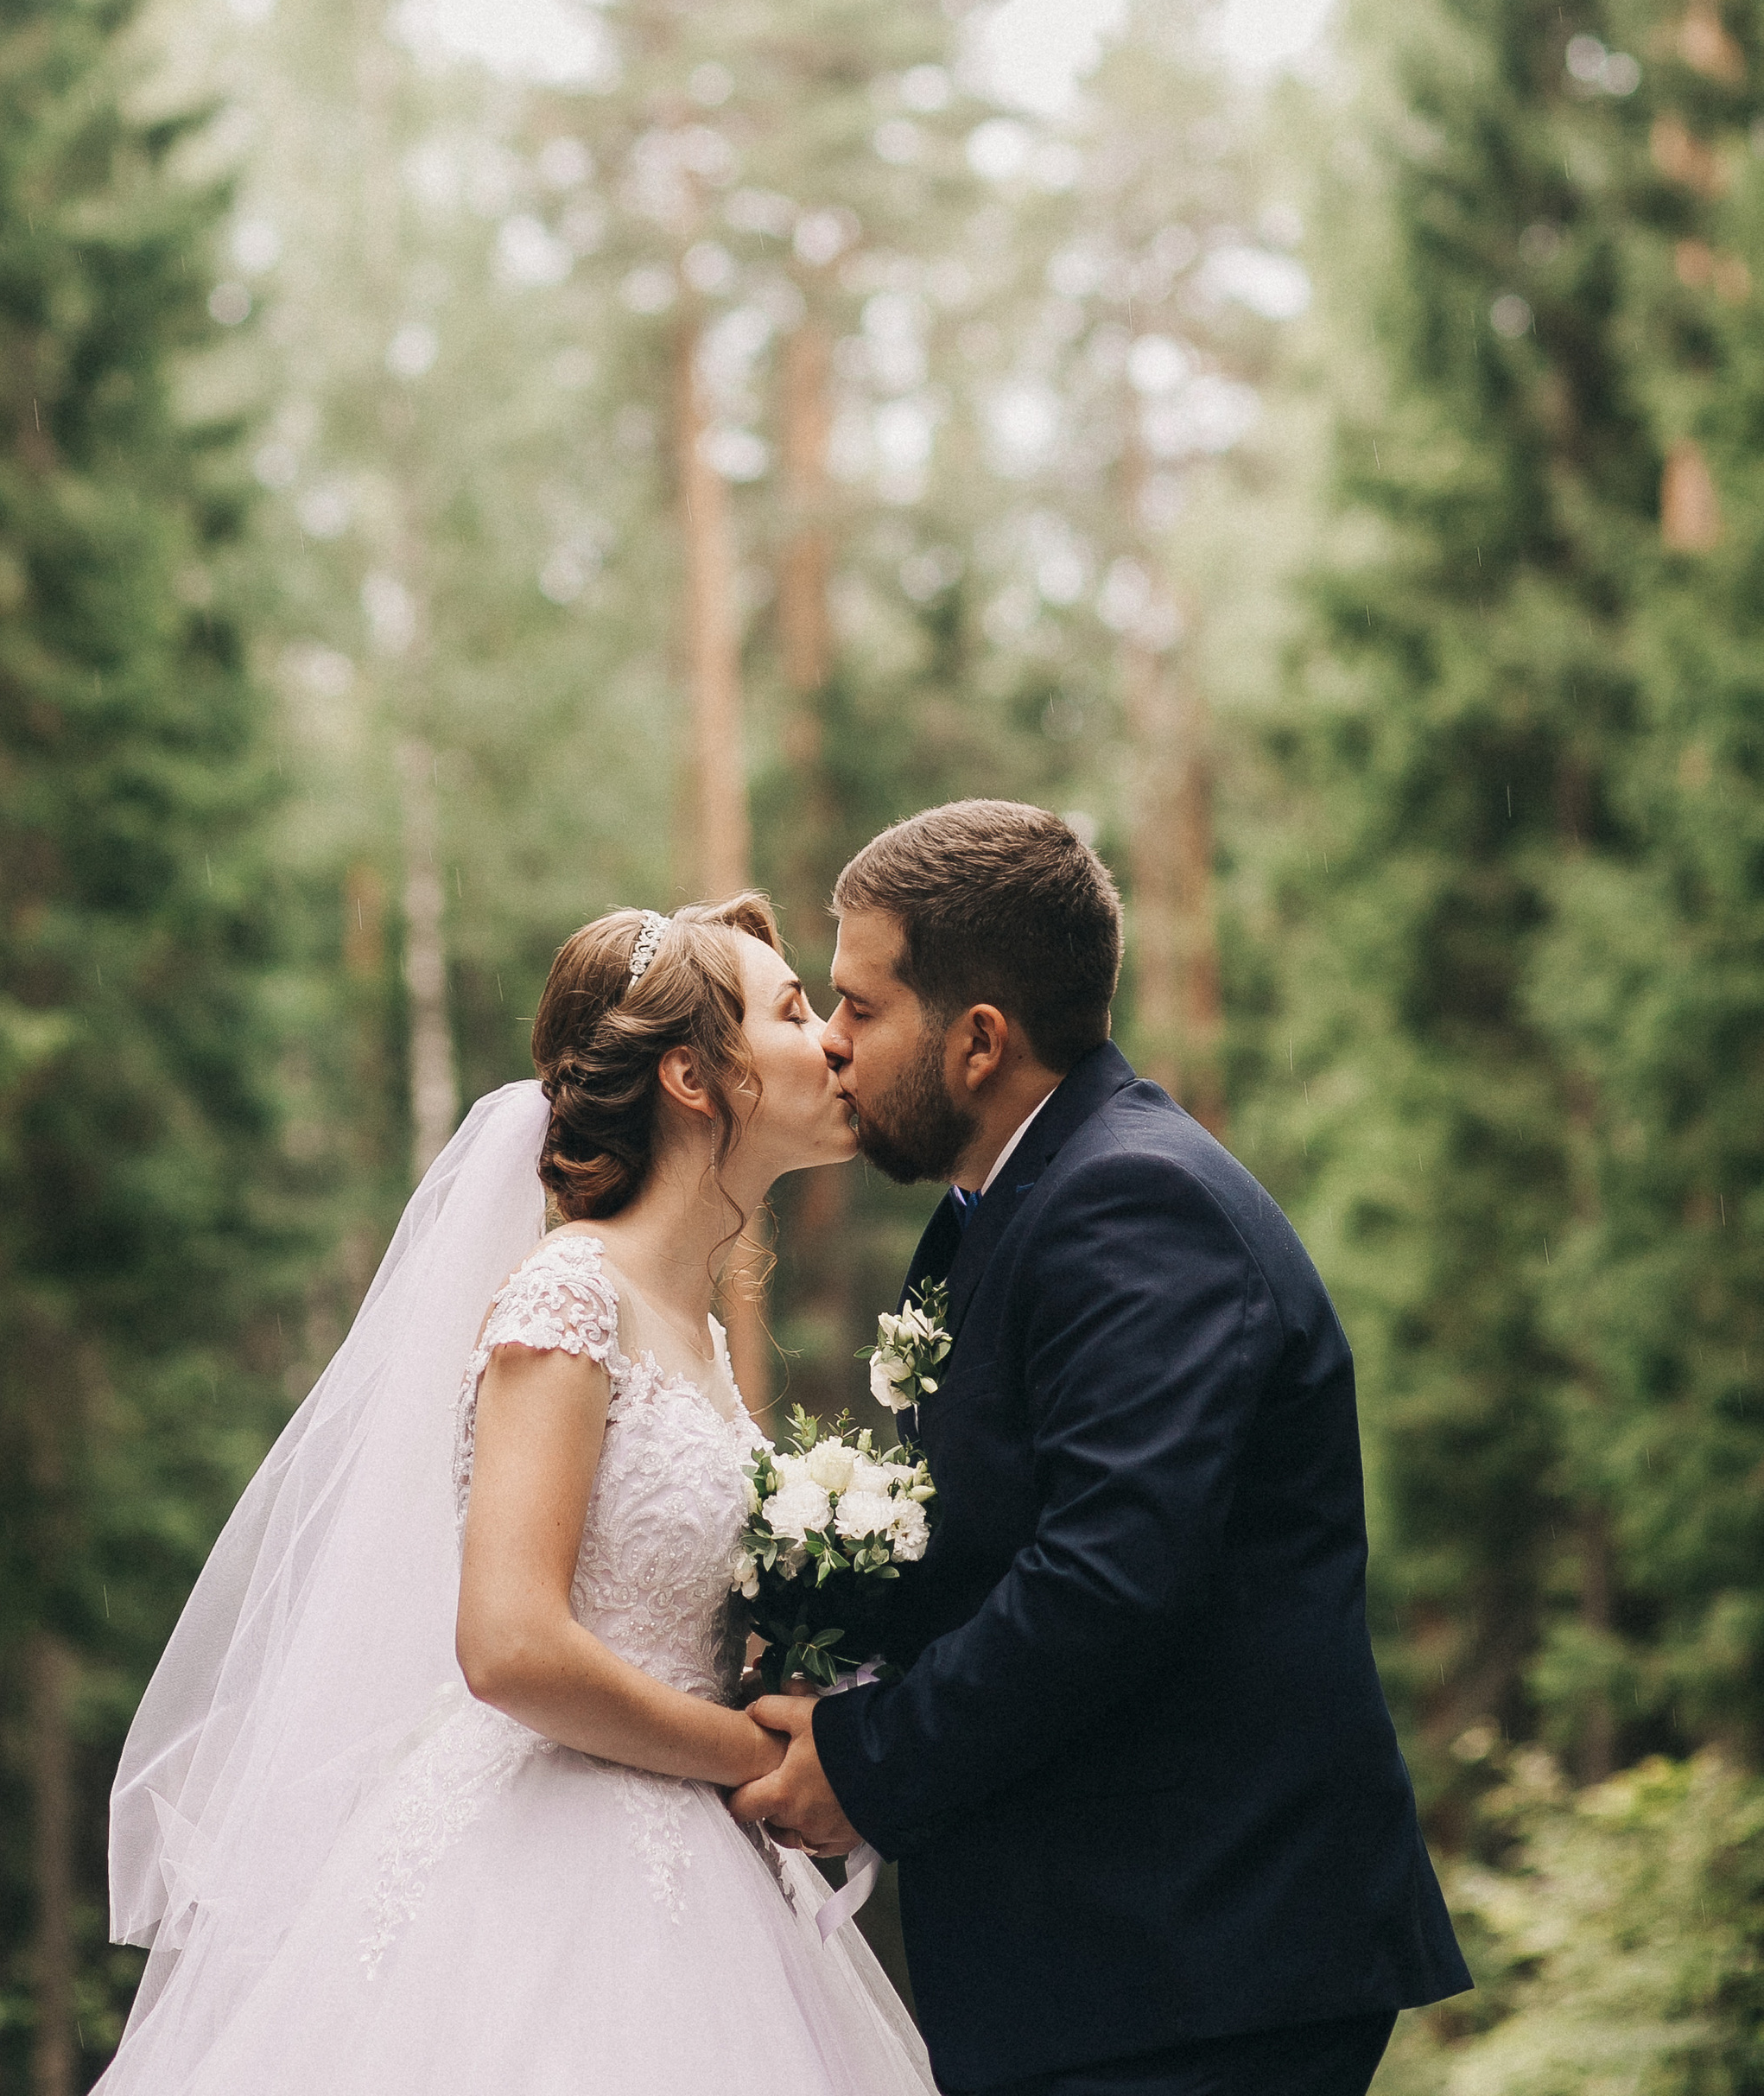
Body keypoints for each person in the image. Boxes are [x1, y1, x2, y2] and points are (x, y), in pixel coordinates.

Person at [99, 892, 935, 2096]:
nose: (832, 1042)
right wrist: (746, 1751)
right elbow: (509, 1646)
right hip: (556, 1869)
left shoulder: (688, 1330)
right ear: (697, 1078)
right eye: (795, 1012)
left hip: (700, 1869)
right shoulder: (567, 1298)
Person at [731, 799, 1472, 2096]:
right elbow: (999, 1540)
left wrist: (867, 1764)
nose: (834, 1044)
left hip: (1201, 1965)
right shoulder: (1010, 1207)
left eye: (858, 1006)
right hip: (1114, 1962)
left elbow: (1111, 1576)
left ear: (977, 1041)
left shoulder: (1135, 1205)